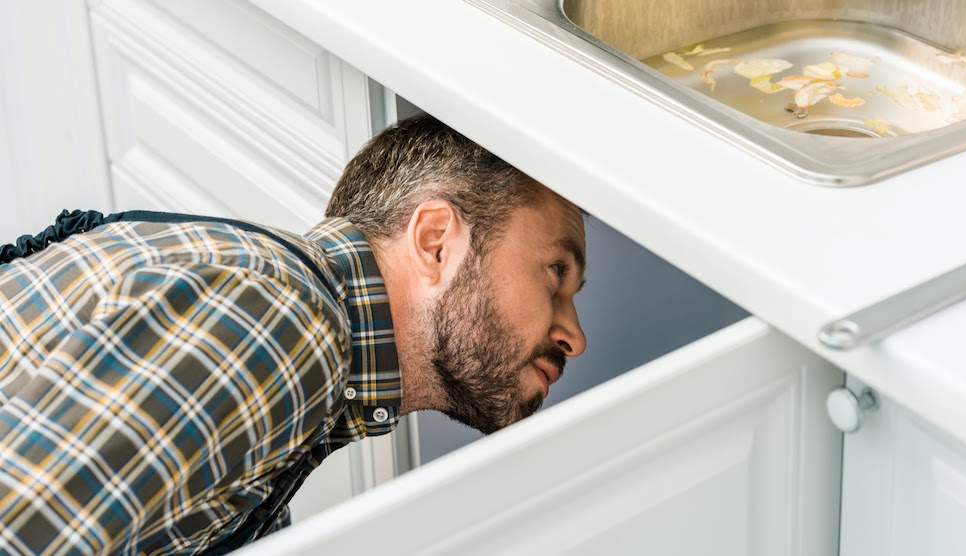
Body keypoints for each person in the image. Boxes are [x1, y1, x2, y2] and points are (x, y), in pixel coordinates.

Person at [0, 114, 587, 555]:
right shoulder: (280, 322)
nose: (575, 336)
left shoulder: (278, 306)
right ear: (436, 242)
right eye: (556, 274)